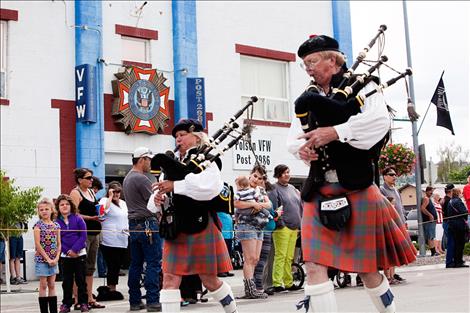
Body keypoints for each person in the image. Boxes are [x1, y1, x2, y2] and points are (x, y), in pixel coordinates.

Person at [289, 34, 416, 312]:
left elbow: (379, 123)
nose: (308, 68)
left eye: (312, 61)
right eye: (304, 64)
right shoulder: (309, 96)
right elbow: (294, 136)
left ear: (332, 60)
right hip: (318, 188)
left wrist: (336, 131)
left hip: (356, 186)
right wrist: (301, 150)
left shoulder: (363, 85)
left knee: (367, 269)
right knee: (312, 265)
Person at [154, 119, 236, 313]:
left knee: (209, 279)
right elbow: (161, 190)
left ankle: (232, 311)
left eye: (182, 135)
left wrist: (176, 186)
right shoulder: (172, 161)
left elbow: (210, 188)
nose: (178, 140)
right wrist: (158, 198)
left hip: (200, 222)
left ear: (196, 136)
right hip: (176, 226)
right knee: (169, 277)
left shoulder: (207, 158)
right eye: (176, 137)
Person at [123, 146, 162, 312]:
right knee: (153, 263)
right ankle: (153, 300)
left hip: (133, 225)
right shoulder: (142, 179)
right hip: (147, 224)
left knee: (136, 264)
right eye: (149, 160)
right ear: (142, 159)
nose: (150, 163)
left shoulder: (127, 178)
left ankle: (135, 300)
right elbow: (155, 203)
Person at [234, 165, 272, 299]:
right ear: (250, 174)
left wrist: (259, 205)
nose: (256, 179)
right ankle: (249, 290)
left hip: (259, 226)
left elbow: (269, 204)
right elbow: (237, 204)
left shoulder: (261, 190)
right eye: (255, 176)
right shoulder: (243, 187)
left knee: (255, 258)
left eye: (259, 178)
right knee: (249, 258)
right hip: (246, 225)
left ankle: (253, 288)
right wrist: (253, 204)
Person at [69, 168, 105, 309]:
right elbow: (73, 214)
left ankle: (90, 298)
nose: (91, 180)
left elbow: (95, 208)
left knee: (90, 267)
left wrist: (101, 213)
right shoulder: (75, 193)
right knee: (79, 267)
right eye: (88, 177)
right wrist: (90, 218)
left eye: (91, 177)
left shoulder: (90, 191)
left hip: (94, 232)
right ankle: (78, 299)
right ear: (80, 180)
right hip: (82, 234)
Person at [270, 164, 302, 292]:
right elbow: (273, 208)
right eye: (284, 173)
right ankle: (277, 282)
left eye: (288, 172)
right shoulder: (273, 188)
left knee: (290, 257)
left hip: (294, 227)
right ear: (278, 174)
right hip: (282, 227)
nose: (287, 175)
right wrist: (281, 223)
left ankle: (288, 282)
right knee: (280, 255)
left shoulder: (293, 188)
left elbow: (299, 206)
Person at [55, 194, 88, 313]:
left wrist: (75, 250)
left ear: (71, 206)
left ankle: (83, 303)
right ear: (58, 207)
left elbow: (83, 236)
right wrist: (67, 251)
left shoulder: (78, 218)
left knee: (81, 280)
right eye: (62, 204)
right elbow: (57, 239)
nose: (64, 206)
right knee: (67, 282)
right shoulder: (56, 222)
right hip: (65, 256)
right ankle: (66, 304)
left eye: (67, 204)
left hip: (80, 254)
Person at [97, 181, 128, 300]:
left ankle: (113, 287)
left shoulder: (123, 203)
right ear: (109, 191)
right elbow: (101, 213)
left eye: (118, 191)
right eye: (113, 191)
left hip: (122, 238)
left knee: (118, 265)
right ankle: (111, 288)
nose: (116, 194)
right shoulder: (104, 201)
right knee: (112, 265)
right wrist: (109, 197)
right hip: (110, 239)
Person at [379, 167, 408, 282]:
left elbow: (401, 207)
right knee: (389, 249)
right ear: (384, 176)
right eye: (391, 174)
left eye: (395, 174)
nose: (394, 177)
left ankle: (392, 275)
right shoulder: (382, 189)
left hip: (399, 221)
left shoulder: (395, 189)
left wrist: (404, 220)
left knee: (396, 249)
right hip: (390, 222)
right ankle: (387, 276)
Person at [34, 198, 61, 313]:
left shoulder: (56, 225)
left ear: (51, 210)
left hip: (54, 260)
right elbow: (38, 244)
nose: (44, 211)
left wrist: (56, 258)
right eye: (41, 210)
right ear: (39, 212)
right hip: (42, 260)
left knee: (52, 284)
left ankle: (53, 310)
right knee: (43, 285)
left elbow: (59, 244)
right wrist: (48, 259)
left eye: (46, 209)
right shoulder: (38, 226)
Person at [253, 175, 278, 295]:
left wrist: (273, 212)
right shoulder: (253, 194)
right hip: (259, 230)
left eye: (263, 179)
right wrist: (272, 212)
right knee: (256, 260)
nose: (262, 181)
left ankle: (260, 286)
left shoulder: (265, 195)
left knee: (263, 260)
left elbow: (270, 210)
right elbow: (265, 211)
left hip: (268, 230)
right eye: (258, 178)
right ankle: (256, 286)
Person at [447, 188, 469, 268]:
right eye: (461, 192)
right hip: (459, 224)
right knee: (460, 244)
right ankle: (459, 261)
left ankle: (456, 261)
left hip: (452, 224)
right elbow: (463, 212)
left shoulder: (450, 201)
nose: (462, 194)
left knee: (456, 243)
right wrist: (467, 212)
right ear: (458, 193)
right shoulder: (458, 201)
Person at [91, 176, 107, 279]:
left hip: (97, 230)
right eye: (94, 188)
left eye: (97, 189)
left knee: (99, 253)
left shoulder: (96, 200)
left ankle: (101, 271)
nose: (96, 191)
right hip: (87, 232)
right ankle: (101, 271)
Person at [420, 186, 439, 256]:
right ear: (426, 191)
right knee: (430, 236)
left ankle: (434, 251)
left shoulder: (429, 199)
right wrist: (430, 215)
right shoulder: (426, 199)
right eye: (430, 191)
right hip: (429, 221)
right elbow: (422, 208)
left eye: (432, 191)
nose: (431, 192)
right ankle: (433, 252)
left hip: (431, 221)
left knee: (432, 236)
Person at [441, 183, 455, 267]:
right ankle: (449, 262)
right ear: (451, 191)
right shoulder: (448, 200)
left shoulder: (445, 199)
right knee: (451, 243)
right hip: (448, 223)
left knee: (451, 242)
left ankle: (450, 260)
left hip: (446, 222)